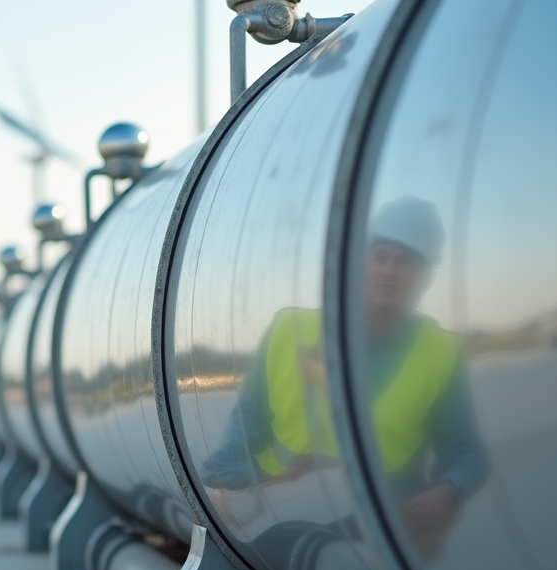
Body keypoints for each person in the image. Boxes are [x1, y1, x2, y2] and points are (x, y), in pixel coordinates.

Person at [200, 196, 488, 540]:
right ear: (361, 262)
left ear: (426, 276)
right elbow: (250, 413)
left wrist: (449, 490)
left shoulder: (440, 353)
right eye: (380, 257)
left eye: (406, 262)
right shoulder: (290, 330)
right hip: (278, 511)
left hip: (381, 526)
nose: (389, 271)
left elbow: (466, 451)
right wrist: (233, 467)